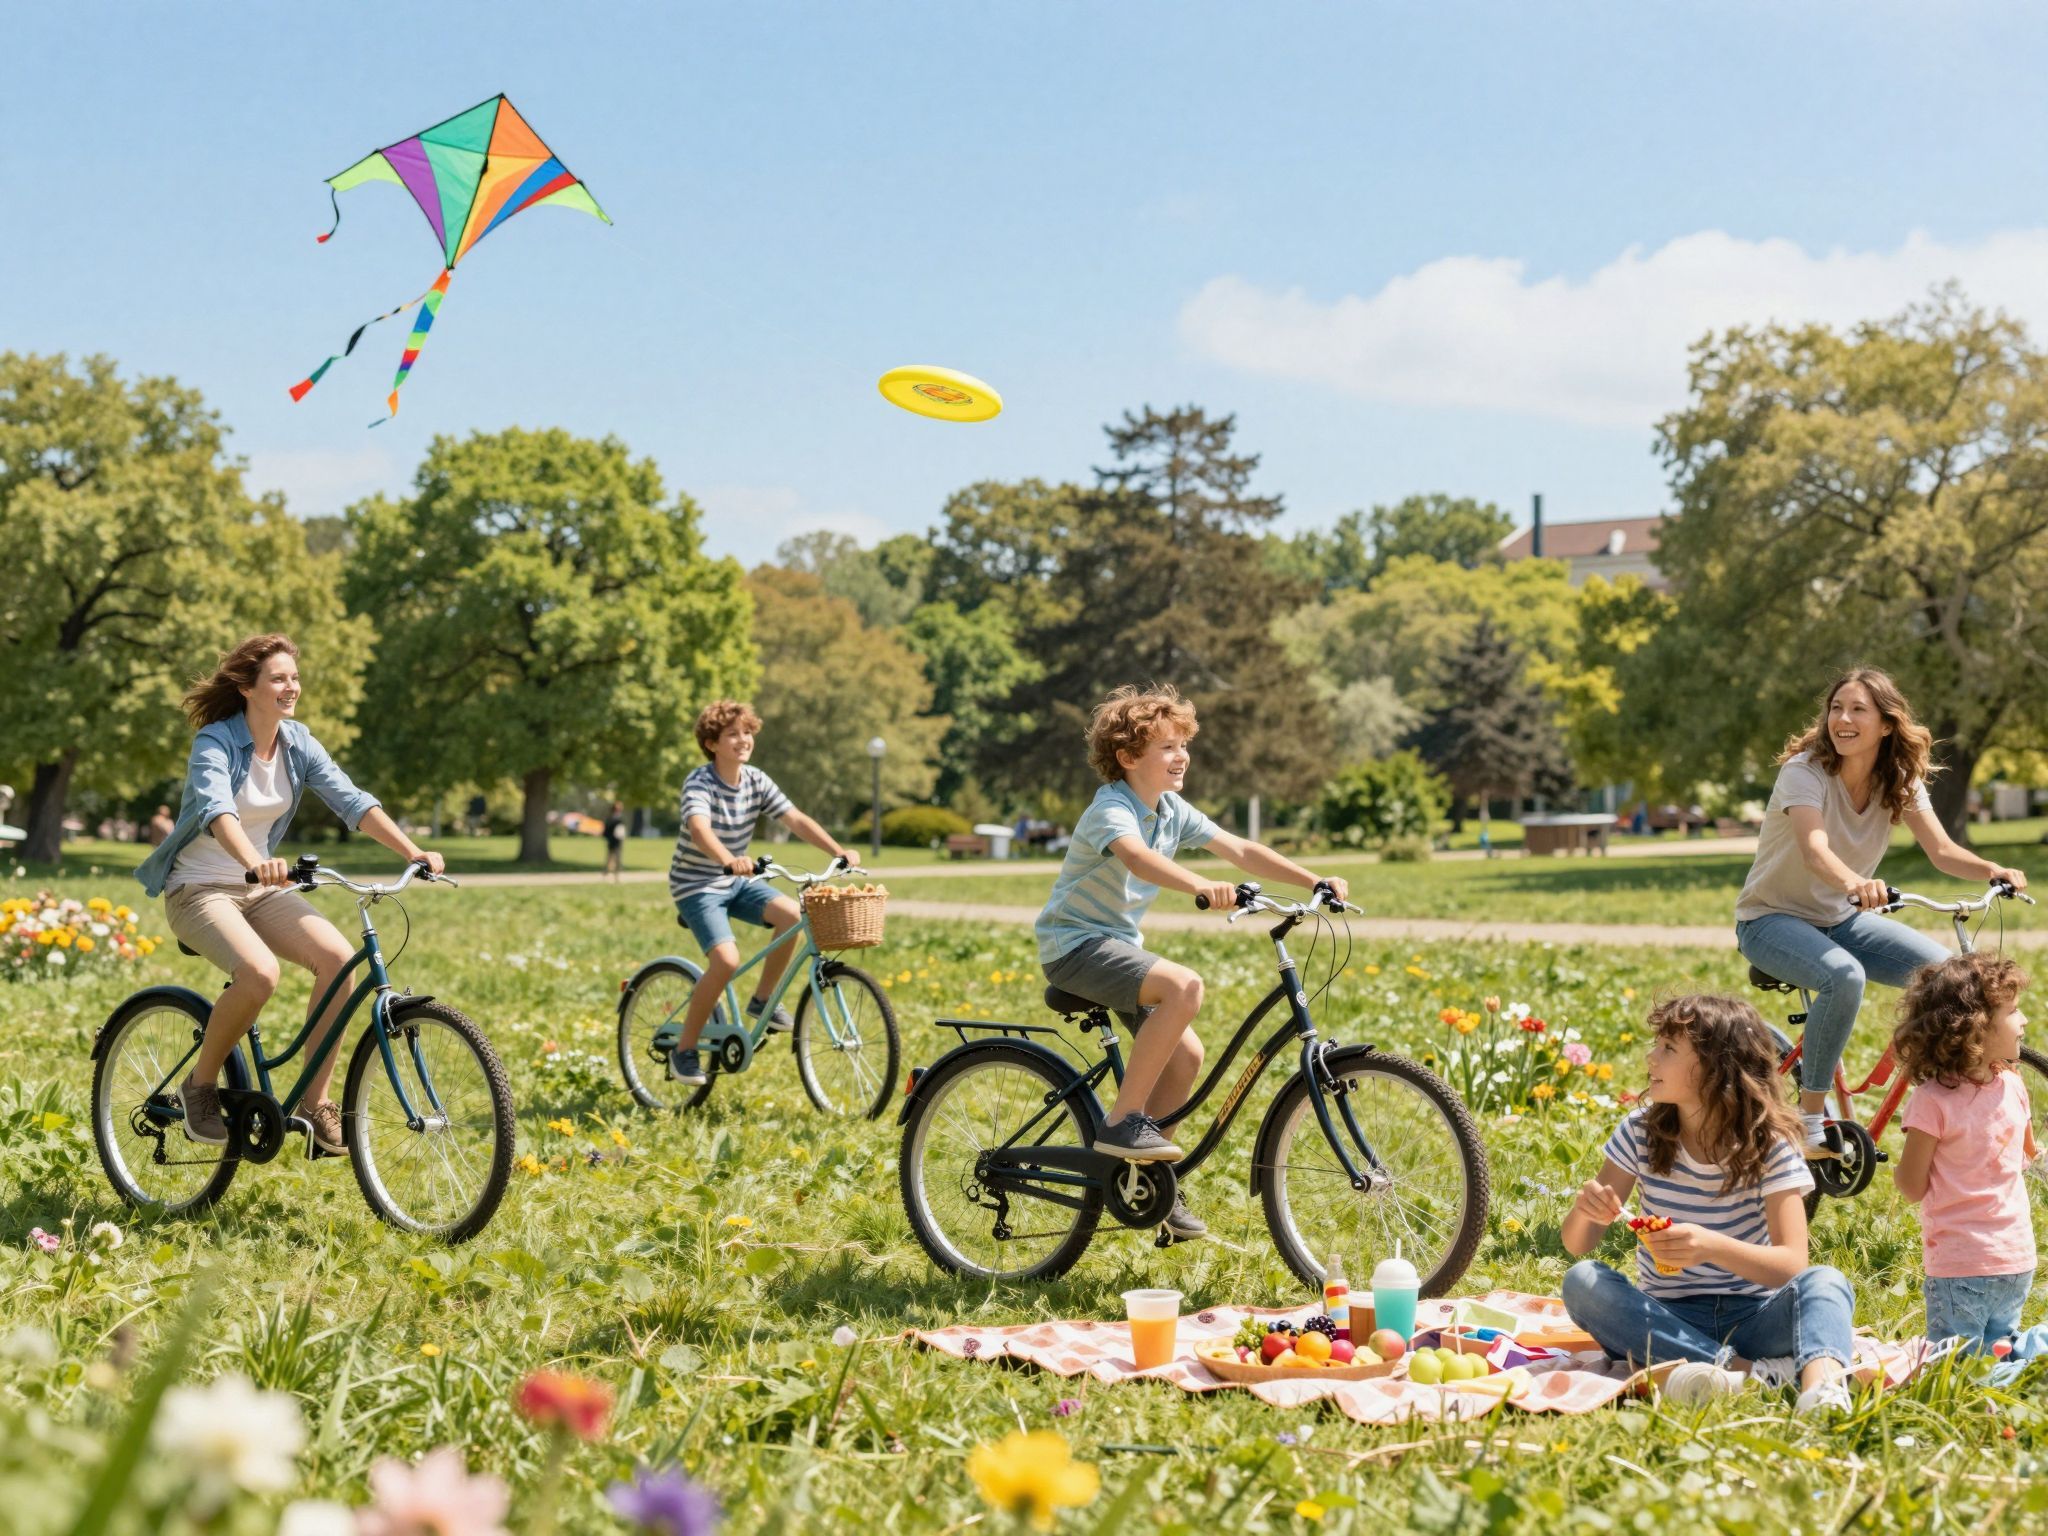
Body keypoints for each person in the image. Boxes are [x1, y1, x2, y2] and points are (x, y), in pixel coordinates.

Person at [1033, 684, 1349, 1242]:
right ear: (1128, 758)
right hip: (1073, 945)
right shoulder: (1112, 807)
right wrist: (1201, 884)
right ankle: (1122, 1124)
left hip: (1117, 944)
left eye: (1184, 744)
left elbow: (1241, 851)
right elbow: (1138, 858)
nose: (1182, 756)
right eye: (1166, 747)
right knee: (1184, 987)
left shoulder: (1172, 810)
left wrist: (1313, 880)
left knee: (1186, 1056)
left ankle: (1154, 1180)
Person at [134, 634, 443, 1155]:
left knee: (338, 960)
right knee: (259, 973)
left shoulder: (297, 742)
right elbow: (217, 811)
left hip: (261, 889)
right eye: (278, 678)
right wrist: (254, 862)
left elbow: (352, 801)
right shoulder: (215, 741)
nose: (291, 686)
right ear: (247, 688)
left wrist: (412, 851)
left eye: (294, 678)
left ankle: (314, 1103)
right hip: (199, 888)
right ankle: (200, 1088)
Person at [1735, 668, 2029, 1155]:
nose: (1842, 719)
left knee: (1947, 977)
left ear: (1887, 724)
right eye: (1836, 708)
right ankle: (1810, 1120)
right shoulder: (1804, 771)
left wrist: (1991, 869)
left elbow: (1941, 851)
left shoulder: (1899, 779)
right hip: (1770, 919)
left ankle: (1951, 1096)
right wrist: (1854, 882)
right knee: (1843, 976)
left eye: (1858, 710)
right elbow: (1814, 848)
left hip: (1839, 919)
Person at [1561, 995, 1855, 1414]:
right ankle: (1753, 1375)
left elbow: (1793, 1264)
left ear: (1716, 1067)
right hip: (1667, 1318)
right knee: (1583, 1282)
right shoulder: (1639, 1132)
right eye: (1656, 1045)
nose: (1651, 1058)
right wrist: (1585, 1211)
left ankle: (1822, 1392)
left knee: (1826, 1283)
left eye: (1668, 1049)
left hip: (1756, 1316)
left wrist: (1711, 1246)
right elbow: (1577, 1245)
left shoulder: (1770, 1144)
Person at [664, 701, 848, 1086]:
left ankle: (762, 999)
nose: (743, 740)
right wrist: (728, 859)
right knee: (727, 962)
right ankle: (684, 1050)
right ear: (712, 744)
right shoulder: (700, 782)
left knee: (792, 917)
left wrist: (837, 851)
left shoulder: (755, 780)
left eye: (747, 732)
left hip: (736, 880)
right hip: (696, 884)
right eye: (732, 734)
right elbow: (700, 830)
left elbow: (795, 818)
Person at [1891, 953, 2041, 1355]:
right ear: (1975, 1028)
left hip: (1962, 1266)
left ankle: (2031, 1353)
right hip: (2016, 1258)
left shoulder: (1932, 1101)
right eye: (2012, 1010)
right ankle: (2027, 1357)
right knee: (1997, 1353)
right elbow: (2027, 1153)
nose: (2023, 1019)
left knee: (1955, 1366)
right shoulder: (2013, 1085)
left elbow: (1910, 1186)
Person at [603, 799, 626, 881]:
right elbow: (606, 830)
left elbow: (622, 830)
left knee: (617, 858)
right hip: (611, 840)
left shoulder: (621, 818)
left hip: (618, 841)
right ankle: (607, 872)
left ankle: (617, 874)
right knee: (610, 857)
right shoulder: (610, 818)